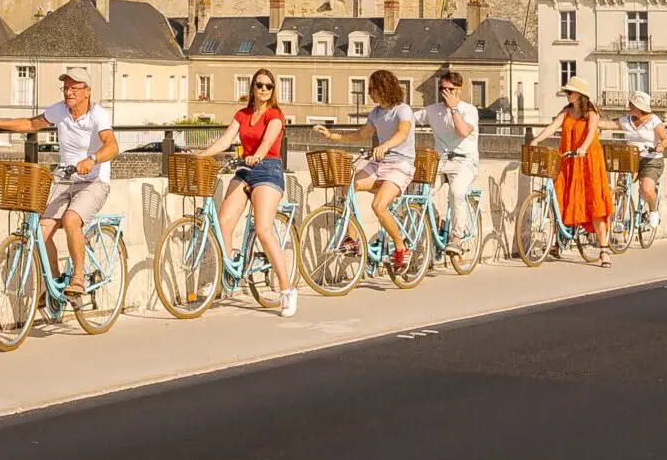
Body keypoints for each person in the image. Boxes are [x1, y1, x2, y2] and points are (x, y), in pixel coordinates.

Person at [0, 67, 118, 298]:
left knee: (71, 219)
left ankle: (79, 278)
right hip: (65, 178)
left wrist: (92, 159)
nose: (68, 92)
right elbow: (32, 124)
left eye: (74, 88)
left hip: (94, 181)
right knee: (41, 232)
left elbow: (112, 146)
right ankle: (54, 285)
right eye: (66, 88)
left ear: (87, 92)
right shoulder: (60, 110)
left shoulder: (98, 115)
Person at [193, 66, 298, 317]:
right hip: (245, 169)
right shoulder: (242, 114)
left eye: (268, 86)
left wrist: (258, 155)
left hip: (268, 169)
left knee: (263, 228)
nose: (263, 89)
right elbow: (227, 139)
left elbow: (267, 141)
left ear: (272, 91)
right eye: (259, 85)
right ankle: (230, 271)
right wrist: (201, 155)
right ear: (252, 87)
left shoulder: (275, 115)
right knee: (224, 222)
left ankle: (287, 290)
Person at [314, 68, 416, 281]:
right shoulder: (376, 113)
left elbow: (403, 132)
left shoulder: (402, 110)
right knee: (346, 186)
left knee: (378, 206)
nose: (369, 93)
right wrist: (333, 135)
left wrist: (386, 145)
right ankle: (352, 239)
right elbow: (362, 134)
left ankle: (401, 247)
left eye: (372, 89)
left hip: (400, 164)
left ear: (384, 88)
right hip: (379, 162)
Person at [531, 78, 614, 267]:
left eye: (569, 92)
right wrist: (537, 139)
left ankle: (603, 250)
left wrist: (583, 147)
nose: (567, 95)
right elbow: (552, 127)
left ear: (579, 95)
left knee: (595, 205)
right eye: (567, 92)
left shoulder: (591, 113)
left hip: (588, 161)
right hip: (568, 160)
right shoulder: (566, 111)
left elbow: (592, 132)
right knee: (561, 198)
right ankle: (558, 241)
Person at [420, 69, 480, 260]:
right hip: (441, 159)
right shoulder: (433, 109)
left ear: (459, 90)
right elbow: (409, 121)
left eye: (450, 89)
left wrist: (454, 109)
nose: (445, 93)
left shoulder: (469, 110)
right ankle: (437, 222)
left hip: (464, 160)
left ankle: (457, 237)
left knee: (457, 192)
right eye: (442, 88)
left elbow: (462, 131)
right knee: (421, 193)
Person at [619, 92, 667, 227]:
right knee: (622, 186)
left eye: (632, 105)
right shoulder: (627, 120)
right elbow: (607, 124)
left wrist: (660, 146)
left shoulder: (653, 120)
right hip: (632, 157)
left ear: (639, 107)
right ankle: (622, 218)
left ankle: (654, 211)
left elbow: (665, 139)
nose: (629, 107)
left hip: (651, 160)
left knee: (647, 190)